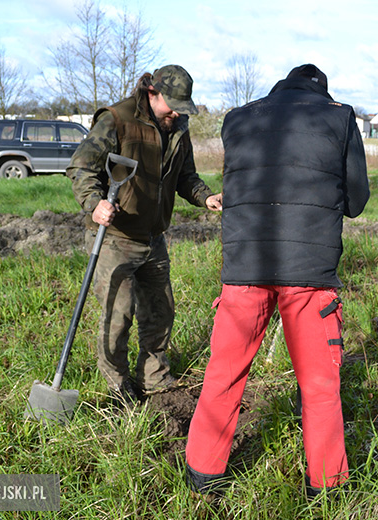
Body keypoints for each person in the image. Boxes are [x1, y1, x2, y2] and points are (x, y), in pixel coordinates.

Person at [185, 64, 369, 497]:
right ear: (321, 90)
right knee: (319, 385)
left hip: (245, 266)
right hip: (309, 271)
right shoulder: (340, 117)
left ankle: (202, 476)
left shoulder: (240, 117)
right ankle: (326, 488)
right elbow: (356, 200)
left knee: (224, 373)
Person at [66, 65, 222, 405]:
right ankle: (117, 383)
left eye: (183, 104)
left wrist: (205, 196)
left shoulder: (179, 126)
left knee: (160, 311)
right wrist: (94, 204)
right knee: (118, 314)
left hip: (154, 237)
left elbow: (186, 176)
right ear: (153, 92)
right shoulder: (117, 119)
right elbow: (81, 166)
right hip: (116, 237)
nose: (178, 111)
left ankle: (154, 375)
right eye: (173, 103)